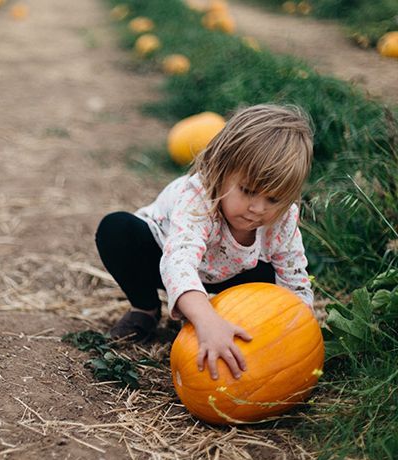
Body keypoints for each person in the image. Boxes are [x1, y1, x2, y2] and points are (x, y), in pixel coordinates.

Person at [95, 104, 314, 381]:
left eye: (273, 199)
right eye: (247, 191)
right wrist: (206, 321)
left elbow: (295, 281)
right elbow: (178, 262)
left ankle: (227, 317)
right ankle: (145, 309)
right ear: (220, 170)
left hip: (228, 272)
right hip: (162, 257)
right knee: (116, 230)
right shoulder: (199, 199)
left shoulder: (283, 219)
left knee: (271, 280)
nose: (258, 208)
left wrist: (298, 335)